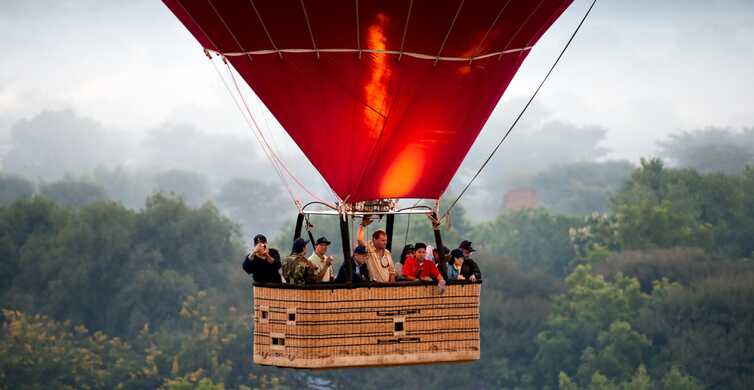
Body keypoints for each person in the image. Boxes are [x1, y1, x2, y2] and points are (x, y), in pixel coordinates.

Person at [357, 216, 396, 282]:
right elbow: (359, 240)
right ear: (375, 239)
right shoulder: (369, 249)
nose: (385, 243)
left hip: (387, 288)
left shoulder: (387, 253)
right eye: (383, 240)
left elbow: (392, 272)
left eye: (386, 240)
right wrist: (363, 226)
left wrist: (392, 287)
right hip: (374, 288)